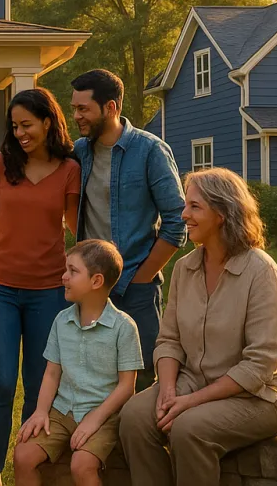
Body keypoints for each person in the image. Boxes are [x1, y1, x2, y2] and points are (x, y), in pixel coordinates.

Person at [119, 168, 277, 486]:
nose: (183, 215)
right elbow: (169, 339)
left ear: (222, 213)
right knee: (134, 417)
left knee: (189, 429)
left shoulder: (261, 272)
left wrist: (189, 402)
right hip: (192, 383)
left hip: (259, 396)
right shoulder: (187, 268)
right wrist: (169, 389)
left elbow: (259, 365)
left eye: (194, 206)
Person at [0, 87, 81, 485]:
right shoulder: (0, 165)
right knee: (2, 381)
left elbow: (77, 229)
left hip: (48, 291)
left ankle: (28, 466)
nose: (20, 133)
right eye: (14, 126)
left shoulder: (69, 169)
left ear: (47, 121)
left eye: (27, 125)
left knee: (39, 386)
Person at [70, 69, 186, 386]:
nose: (77, 116)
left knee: (146, 378)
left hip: (135, 286)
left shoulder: (150, 150)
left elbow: (177, 223)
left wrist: (142, 277)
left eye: (84, 109)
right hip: (90, 287)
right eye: (74, 108)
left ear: (110, 107)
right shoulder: (79, 152)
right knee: (93, 379)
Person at [14, 240, 144, 486]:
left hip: (103, 415)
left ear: (96, 281)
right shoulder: (61, 321)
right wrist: (41, 411)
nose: (64, 277)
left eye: (73, 271)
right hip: (62, 411)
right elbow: (52, 373)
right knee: (23, 455)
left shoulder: (124, 327)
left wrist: (95, 418)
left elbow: (127, 386)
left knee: (82, 465)